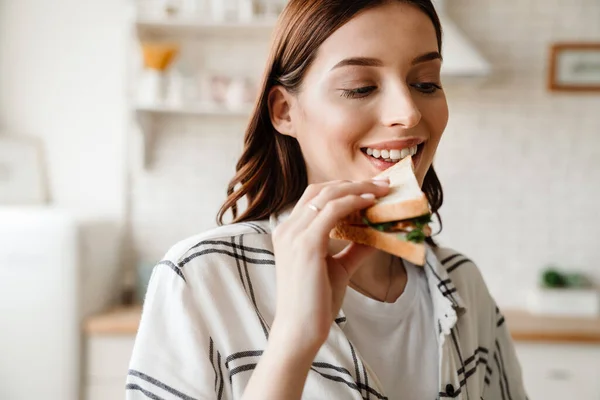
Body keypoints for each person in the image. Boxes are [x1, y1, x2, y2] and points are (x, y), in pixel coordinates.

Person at [126, 1, 529, 399]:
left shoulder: (464, 284)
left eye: (425, 83)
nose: (408, 113)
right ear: (285, 112)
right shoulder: (201, 279)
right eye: (360, 87)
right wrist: (294, 339)